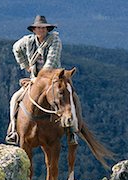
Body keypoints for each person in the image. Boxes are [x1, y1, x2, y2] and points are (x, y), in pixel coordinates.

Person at [5, 15, 79, 145]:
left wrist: (39, 80)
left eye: (43, 28)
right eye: (38, 28)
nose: (41, 30)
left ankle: (72, 130)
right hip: (35, 78)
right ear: (34, 30)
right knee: (15, 99)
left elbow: (51, 62)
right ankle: (13, 130)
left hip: (54, 78)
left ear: (47, 29)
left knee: (69, 98)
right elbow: (16, 48)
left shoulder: (55, 40)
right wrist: (25, 65)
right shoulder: (28, 41)